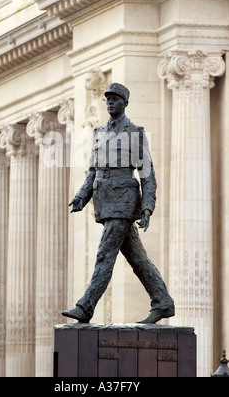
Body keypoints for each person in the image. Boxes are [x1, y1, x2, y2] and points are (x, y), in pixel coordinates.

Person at [62, 83, 175, 324]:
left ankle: (86, 307)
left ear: (125, 102)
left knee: (105, 255)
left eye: (115, 98)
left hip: (123, 203)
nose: (110, 102)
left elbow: (147, 174)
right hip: (105, 203)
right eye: (108, 99)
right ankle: (163, 301)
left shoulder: (135, 132)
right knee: (138, 259)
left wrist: (147, 206)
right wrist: (82, 197)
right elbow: (93, 171)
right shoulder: (99, 133)